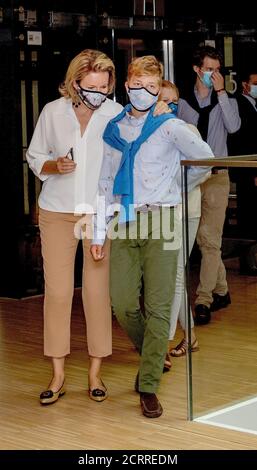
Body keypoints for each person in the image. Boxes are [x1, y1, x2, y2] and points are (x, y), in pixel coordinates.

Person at [91, 55, 214, 418]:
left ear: (159, 89)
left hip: (163, 220)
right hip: (124, 220)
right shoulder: (114, 128)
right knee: (123, 302)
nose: (142, 92)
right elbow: (104, 183)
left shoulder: (169, 125)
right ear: (126, 84)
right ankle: (153, 355)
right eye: (136, 84)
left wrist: (174, 189)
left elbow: (204, 161)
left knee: (160, 307)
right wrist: (98, 232)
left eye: (150, 86)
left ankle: (148, 385)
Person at [26, 49, 124, 405]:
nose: (97, 93)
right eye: (91, 86)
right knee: (59, 293)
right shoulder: (53, 112)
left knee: (97, 294)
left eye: (104, 86)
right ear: (75, 83)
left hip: (98, 215)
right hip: (57, 211)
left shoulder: (116, 115)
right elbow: (35, 155)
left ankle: (95, 372)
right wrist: (54, 166)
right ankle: (58, 373)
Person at [178, 45, 241, 325]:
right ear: (196, 69)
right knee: (203, 239)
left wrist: (221, 93)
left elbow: (234, 126)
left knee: (209, 237)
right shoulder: (181, 102)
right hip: (190, 176)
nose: (213, 75)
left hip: (217, 175)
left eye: (217, 70)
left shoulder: (225, 100)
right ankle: (222, 290)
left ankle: (203, 299)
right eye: (208, 70)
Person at [159, 80, 204, 358]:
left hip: (186, 212)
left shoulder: (188, 131)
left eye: (174, 100)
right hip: (161, 214)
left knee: (174, 274)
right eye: (165, 100)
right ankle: (191, 336)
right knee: (166, 276)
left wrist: (175, 186)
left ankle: (162, 342)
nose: (170, 105)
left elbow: (204, 168)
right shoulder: (147, 133)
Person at [227, 68, 257, 241]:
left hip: (250, 167)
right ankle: (247, 252)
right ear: (245, 85)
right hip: (246, 166)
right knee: (248, 210)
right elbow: (245, 140)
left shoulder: (252, 104)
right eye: (255, 84)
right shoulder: (239, 103)